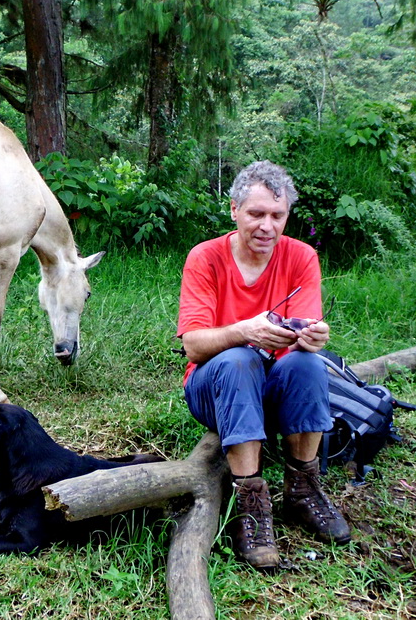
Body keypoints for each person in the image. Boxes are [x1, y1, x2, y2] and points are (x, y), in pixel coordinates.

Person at [176, 160, 349, 570]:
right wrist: (245, 331)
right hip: (213, 389)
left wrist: (314, 335)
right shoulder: (205, 258)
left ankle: (303, 488)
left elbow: (308, 326)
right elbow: (194, 347)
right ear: (234, 210)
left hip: (274, 390)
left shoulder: (301, 257)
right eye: (256, 214)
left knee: (309, 363)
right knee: (238, 360)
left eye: (277, 215)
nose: (266, 226)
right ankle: (250, 503)